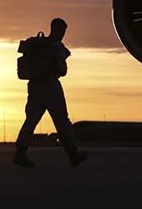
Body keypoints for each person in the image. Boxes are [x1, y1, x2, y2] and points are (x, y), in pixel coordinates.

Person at [14, 18, 87, 167]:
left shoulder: (38, 44)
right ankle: (73, 154)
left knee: (30, 121)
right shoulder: (56, 46)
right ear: (60, 30)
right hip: (51, 86)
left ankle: (20, 153)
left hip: (34, 87)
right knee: (61, 120)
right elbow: (62, 70)